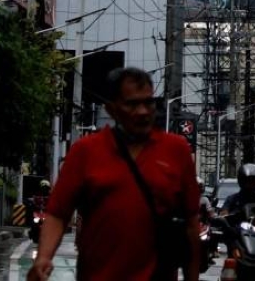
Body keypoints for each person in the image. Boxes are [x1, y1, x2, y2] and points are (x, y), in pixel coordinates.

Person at [27, 66, 201, 281]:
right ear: (112, 109)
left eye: (148, 102)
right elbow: (57, 213)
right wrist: (44, 257)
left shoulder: (176, 150)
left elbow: (191, 225)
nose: (143, 112)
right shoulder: (86, 152)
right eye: (132, 104)